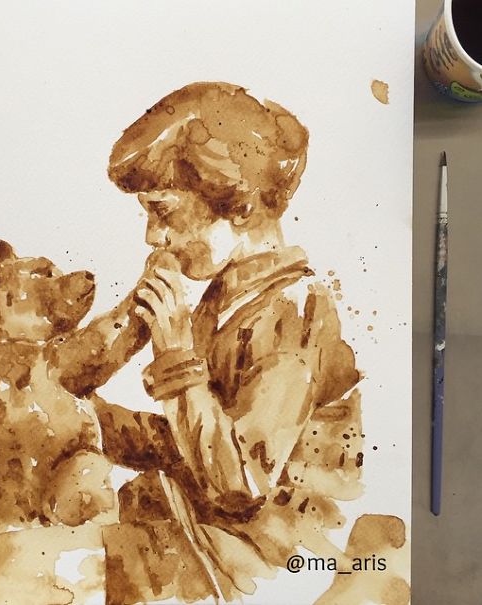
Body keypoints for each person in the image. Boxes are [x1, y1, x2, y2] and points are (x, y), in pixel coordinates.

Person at [47, 82, 363, 604]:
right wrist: (89, 420)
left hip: (265, 560)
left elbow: (240, 483)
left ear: (239, 207)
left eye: (164, 212)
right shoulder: (223, 300)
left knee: (40, 568)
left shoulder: (294, 308)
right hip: (206, 532)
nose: (153, 236)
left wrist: (175, 355)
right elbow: (189, 443)